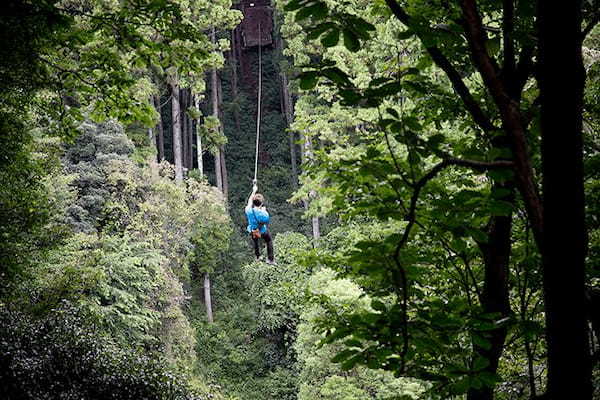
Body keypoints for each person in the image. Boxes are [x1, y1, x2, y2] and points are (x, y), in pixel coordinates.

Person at [245, 181, 275, 264]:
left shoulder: (248, 210)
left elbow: (249, 201)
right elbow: (265, 222)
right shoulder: (264, 214)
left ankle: (258, 256)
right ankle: (270, 259)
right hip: (261, 231)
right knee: (269, 240)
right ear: (261, 203)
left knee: (255, 242)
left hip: (253, 230)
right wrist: (263, 211)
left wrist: (254, 190)